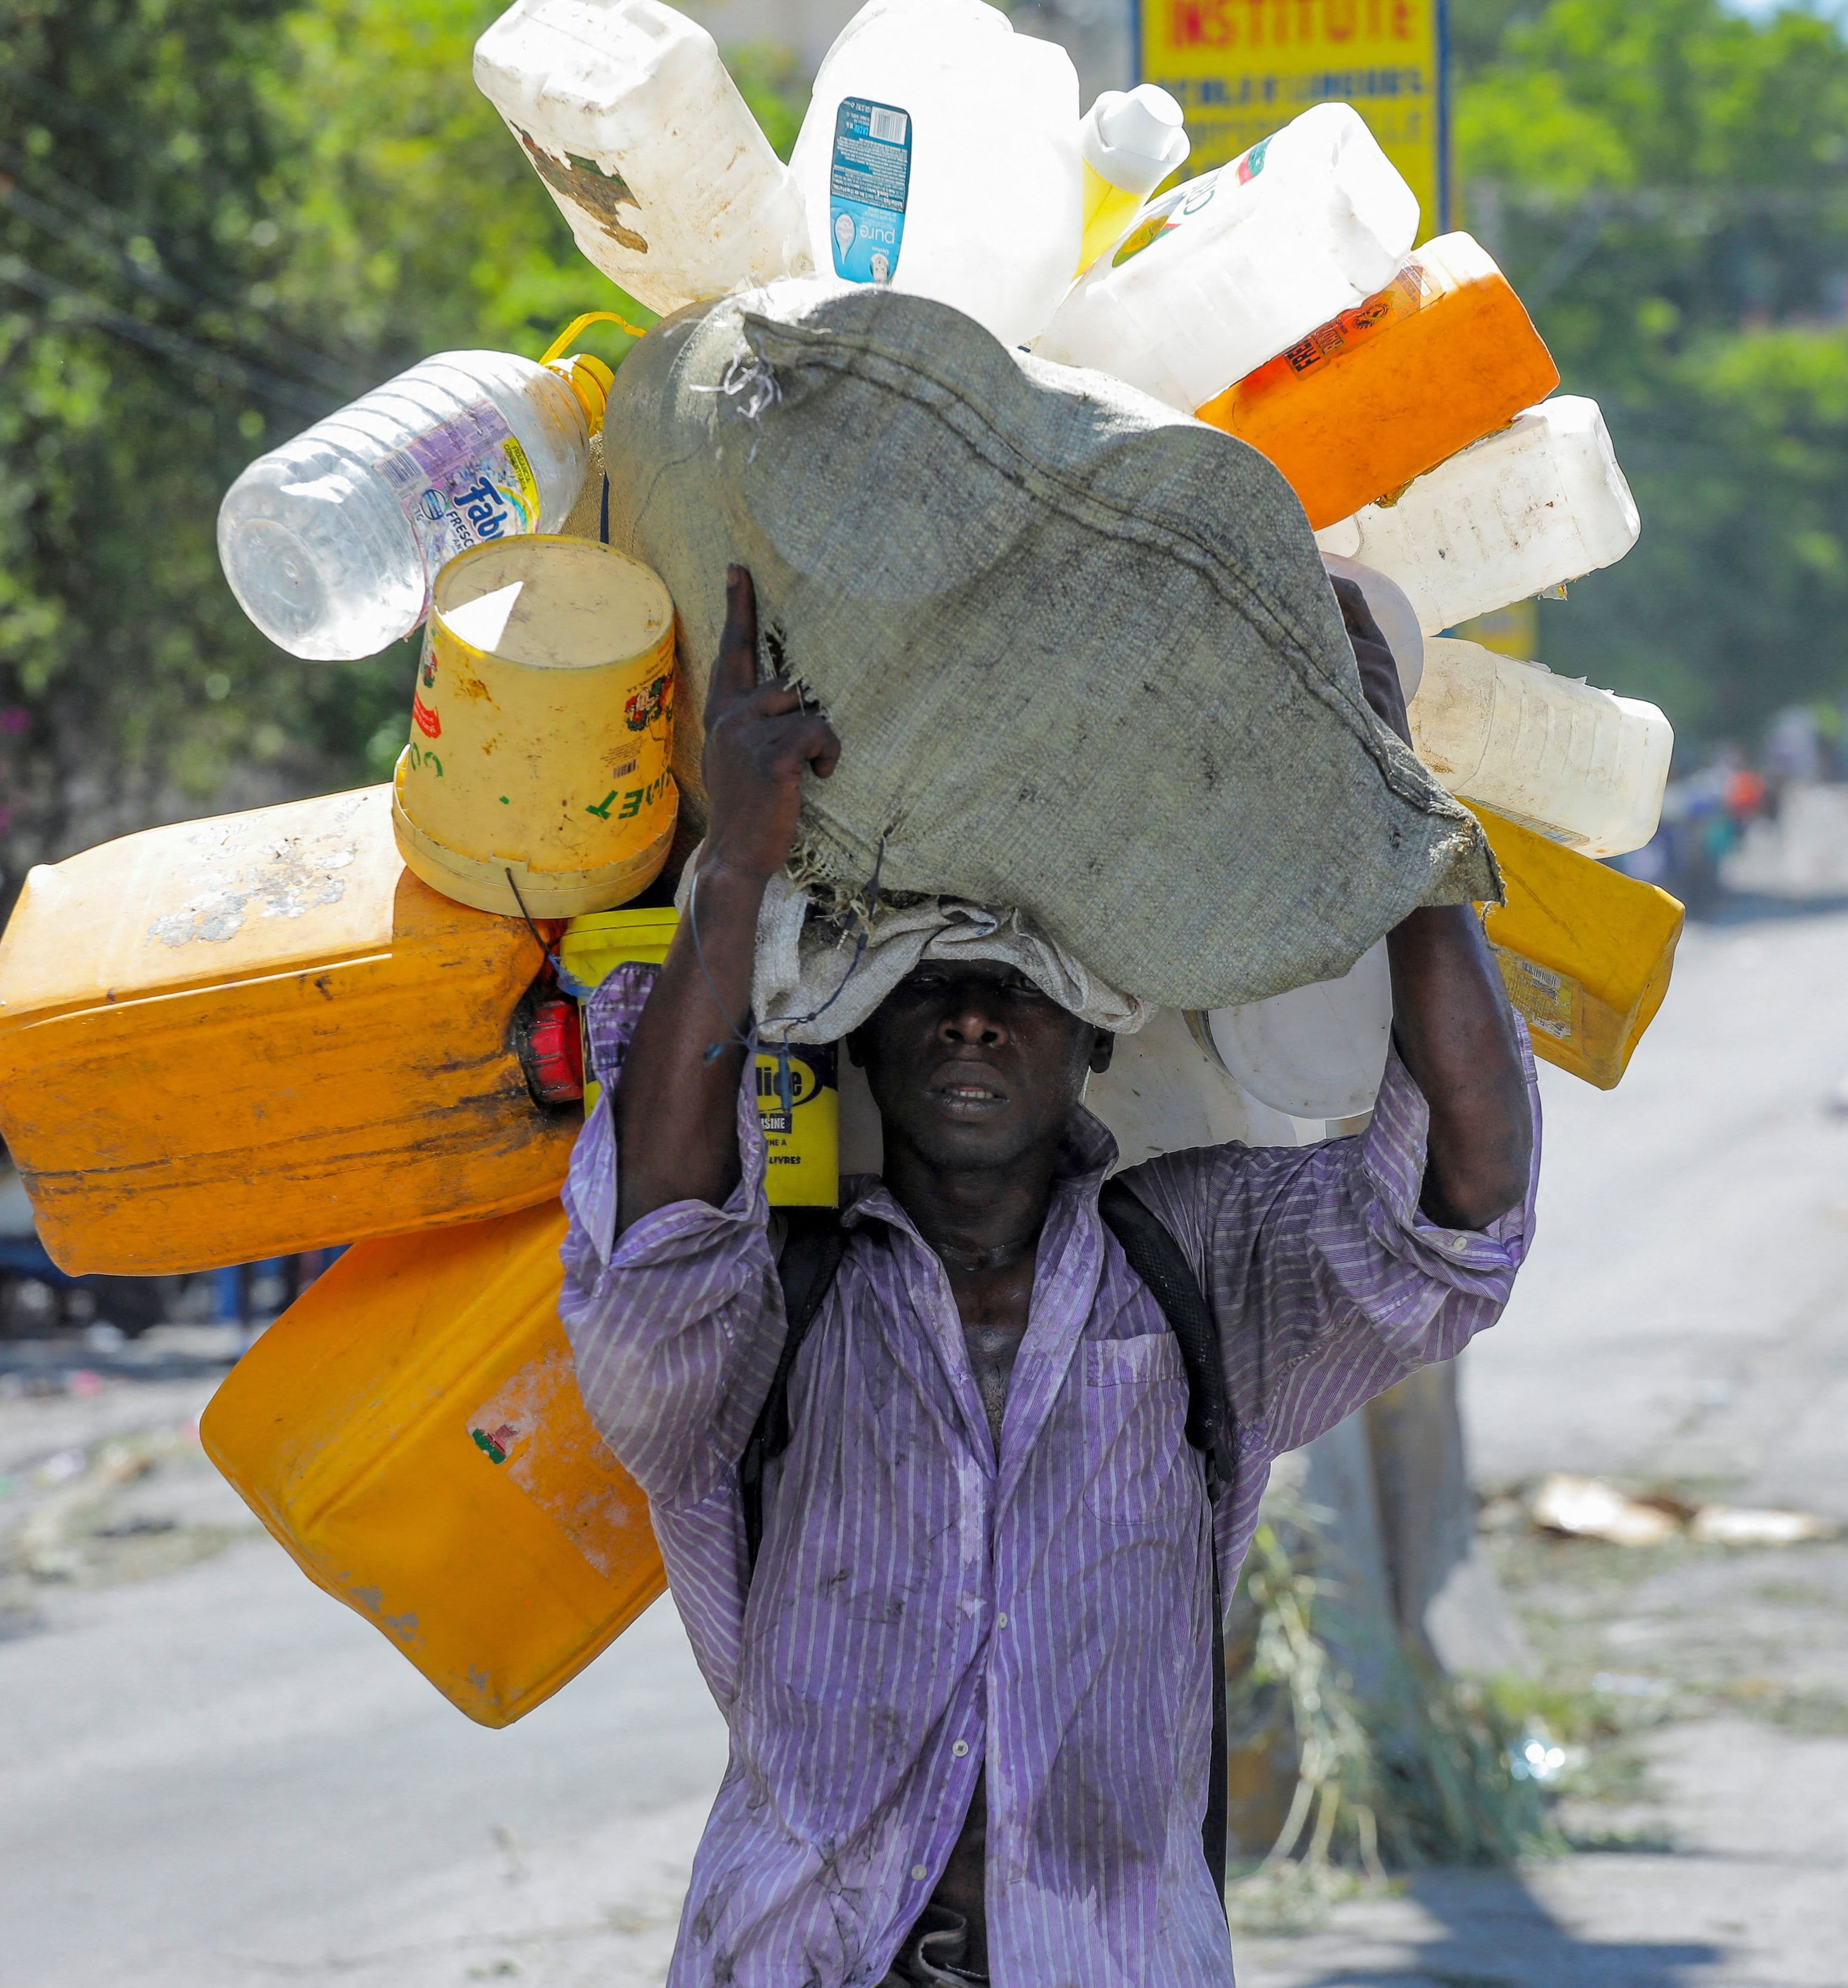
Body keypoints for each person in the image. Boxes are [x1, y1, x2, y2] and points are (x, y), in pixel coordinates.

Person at [559, 566, 1539, 1986]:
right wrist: (736, 870)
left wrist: (1388, 807)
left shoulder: (1196, 1265)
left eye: (1019, 989)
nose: (969, 1017)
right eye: (925, 988)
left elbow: (1464, 1207)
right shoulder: (771, 1311)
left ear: (1091, 1043)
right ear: (864, 1044)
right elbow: (655, 1239)